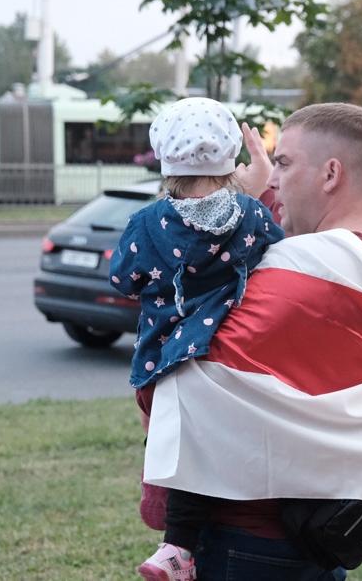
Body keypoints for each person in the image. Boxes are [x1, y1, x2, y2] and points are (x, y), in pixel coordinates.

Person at [139, 103, 362, 580]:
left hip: (248, 544)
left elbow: (176, 382)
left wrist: (222, 203)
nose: (272, 181)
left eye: (283, 163)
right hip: (319, 536)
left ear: (331, 174)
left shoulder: (297, 277)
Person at [109, 97, 284, 580]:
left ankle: (171, 535)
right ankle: (178, 547)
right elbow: (280, 250)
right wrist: (256, 192)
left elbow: (122, 279)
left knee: (171, 444)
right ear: (231, 158)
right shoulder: (249, 215)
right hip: (220, 358)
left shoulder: (147, 223)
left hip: (158, 363)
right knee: (204, 452)